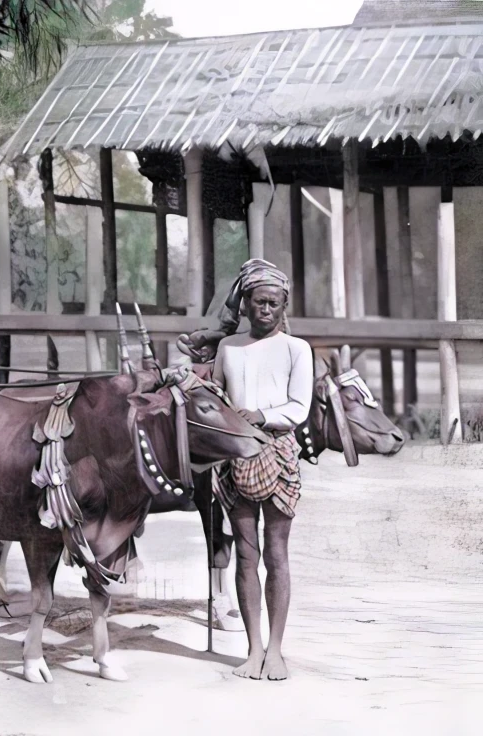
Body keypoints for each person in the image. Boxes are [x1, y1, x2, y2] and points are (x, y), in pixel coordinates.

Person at [209, 259, 313, 681]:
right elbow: (216, 394)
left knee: (277, 554)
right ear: (246, 303)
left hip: (280, 454)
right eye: (257, 302)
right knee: (246, 556)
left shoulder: (296, 349)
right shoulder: (228, 348)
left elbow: (300, 408)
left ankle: (276, 651)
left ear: (284, 304)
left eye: (272, 303)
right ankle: (252, 649)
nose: (265, 310)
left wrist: (261, 415)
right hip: (236, 456)